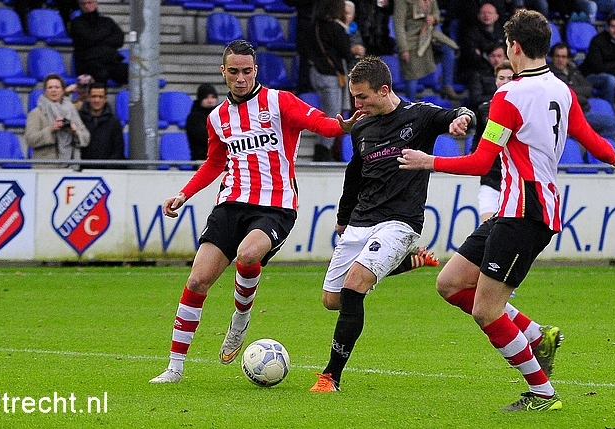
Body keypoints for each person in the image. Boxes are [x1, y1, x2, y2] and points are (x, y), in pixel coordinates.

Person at [398, 10, 615, 411]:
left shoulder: (508, 97)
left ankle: (542, 393)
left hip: (526, 212)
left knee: (486, 310)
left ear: (515, 47)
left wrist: (427, 161)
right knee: (449, 283)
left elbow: (478, 162)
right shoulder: (561, 88)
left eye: (507, 44)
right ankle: (538, 336)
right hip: (516, 210)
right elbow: (584, 132)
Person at [149, 39, 365, 384]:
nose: (240, 78)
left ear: (256, 71)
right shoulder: (218, 117)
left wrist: (343, 126)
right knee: (197, 279)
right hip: (231, 203)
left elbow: (320, 124)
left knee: (248, 255)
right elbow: (215, 162)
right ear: (223, 72)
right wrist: (184, 194)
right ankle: (174, 368)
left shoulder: (279, 102)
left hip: (276, 205)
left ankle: (240, 318)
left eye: (246, 71)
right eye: (233, 71)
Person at [309, 55, 477, 392]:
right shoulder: (362, 127)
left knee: (354, 287)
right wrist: (344, 219)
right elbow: (354, 176)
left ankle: (330, 376)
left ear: (384, 90)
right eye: (354, 97)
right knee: (332, 300)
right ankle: (408, 262)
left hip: (400, 221)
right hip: (360, 221)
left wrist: (463, 120)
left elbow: (459, 113)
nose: (357, 104)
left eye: (363, 97)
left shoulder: (419, 116)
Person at [307, 0, 353, 162]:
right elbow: (347, 52)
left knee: (325, 114)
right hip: (331, 76)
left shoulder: (314, 26)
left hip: (316, 72)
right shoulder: (337, 28)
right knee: (333, 116)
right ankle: (324, 150)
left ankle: (321, 148)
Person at [549, 42, 615, 139]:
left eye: (563, 57)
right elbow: (562, 95)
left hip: (584, 112)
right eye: (557, 56)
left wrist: (571, 91)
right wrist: (577, 93)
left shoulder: (573, 71)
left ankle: (593, 149)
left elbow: (588, 89)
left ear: (568, 58)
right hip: (568, 116)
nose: (560, 60)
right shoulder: (550, 75)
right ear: (552, 57)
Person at [472, 61, 513, 222]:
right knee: (487, 228)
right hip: (490, 179)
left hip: (514, 181)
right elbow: (478, 139)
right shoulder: (484, 110)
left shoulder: (525, 109)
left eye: (510, 78)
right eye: (501, 78)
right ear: (496, 80)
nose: (505, 82)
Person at [394, 0, 460, 101]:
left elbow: (436, 13)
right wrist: (404, 48)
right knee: (411, 74)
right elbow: (398, 25)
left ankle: (447, 85)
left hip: (430, 35)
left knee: (448, 49)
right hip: (411, 38)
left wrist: (433, 19)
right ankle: (409, 104)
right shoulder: (402, 1)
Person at [25, 74, 90, 168]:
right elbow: (30, 140)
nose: (53, 90)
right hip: (45, 169)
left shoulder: (72, 110)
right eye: (50, 87)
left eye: (57, 87)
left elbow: (86, 137)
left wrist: (75, 132)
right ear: (45, 91)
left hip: (70, 167)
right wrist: (51, 129)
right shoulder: (37, 113)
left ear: (63, 90)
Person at [578, 14, 615, 104]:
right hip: (591, 75)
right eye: (613, 26)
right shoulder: (597, 40)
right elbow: (597, 67)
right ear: (608, 28)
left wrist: (613, 67)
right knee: (610, 80)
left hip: (614, 75)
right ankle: (608, 112)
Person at [69, 0, 128, 86]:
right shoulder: (76, 23)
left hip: (109, 62)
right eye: (83, 3)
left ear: (96, 3)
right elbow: (90, 38)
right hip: (88, 64)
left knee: (131, 72)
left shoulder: (107, 21)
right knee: (101, 73)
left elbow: (119, 39)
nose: (86, 6)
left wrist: (97, 41)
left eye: (89, 2)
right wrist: (107, 35)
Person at [457, 2, 507, 86]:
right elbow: (472, 57)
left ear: (496, 17)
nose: (486, 15)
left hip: (500, 70)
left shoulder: (503, 33)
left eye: (490, 13)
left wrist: (484, 53)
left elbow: (507, 54)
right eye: (483, 13)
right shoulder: (471, 33)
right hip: (477, 71)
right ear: (478, 16)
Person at [78, 82, 125, 167]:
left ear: (105, 99)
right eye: (94, 96)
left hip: (107, 173)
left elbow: (118, 151)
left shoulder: (114, 122)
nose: (97, 100)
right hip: (83, 172)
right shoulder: (78, 119)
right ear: (88, 98)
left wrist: (107, 169)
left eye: (100, 97)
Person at [466, 43, 507, 112]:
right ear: (487, 57)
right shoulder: (478, 74)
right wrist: (499, 97)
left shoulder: (512, 73)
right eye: (493, 56)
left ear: (505, 57)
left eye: (499, 56)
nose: (496, 59)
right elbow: (476, 99)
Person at [185, 83, 219, 161]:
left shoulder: (221, 114)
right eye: (206, 98)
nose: (210, 101)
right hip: (202, 160)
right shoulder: (194, 118)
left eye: (213, 97)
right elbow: (204, 138)